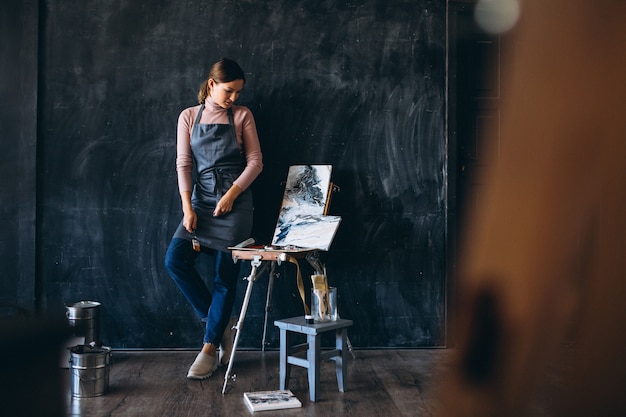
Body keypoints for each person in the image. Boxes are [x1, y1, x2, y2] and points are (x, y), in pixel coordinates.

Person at [164, 58, 263, 380]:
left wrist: (232, 195)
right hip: (200, 201)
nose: (233, 98)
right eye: (229, 91)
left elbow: (255, 162)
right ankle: (219, 328)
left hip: (235, 203)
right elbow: (183, 164)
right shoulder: (189, 117)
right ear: (212, 85)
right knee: (175, 261)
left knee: (224, 277)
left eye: (237, 92)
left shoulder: (242, 115)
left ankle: (209, 347)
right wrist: (187, 208)